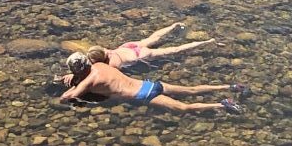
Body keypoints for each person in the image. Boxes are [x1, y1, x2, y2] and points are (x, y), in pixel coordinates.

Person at [58, 49, 240, 114]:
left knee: (185, 108)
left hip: (144, 95)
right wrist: (76, 76)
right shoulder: (100, 65)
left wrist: (71, 86)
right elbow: (91, 71)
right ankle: (229, 86)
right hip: (150, 84)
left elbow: (67, 98)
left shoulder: (88, 82)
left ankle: (222, 105)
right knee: (191, 90)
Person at [68, 21, 217, 74]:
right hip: (128, 47)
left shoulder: (112, 64)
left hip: (140, 55)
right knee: (153, 38)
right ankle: (173, 26)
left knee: (174, 50)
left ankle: (207, 42)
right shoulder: (105, 51)